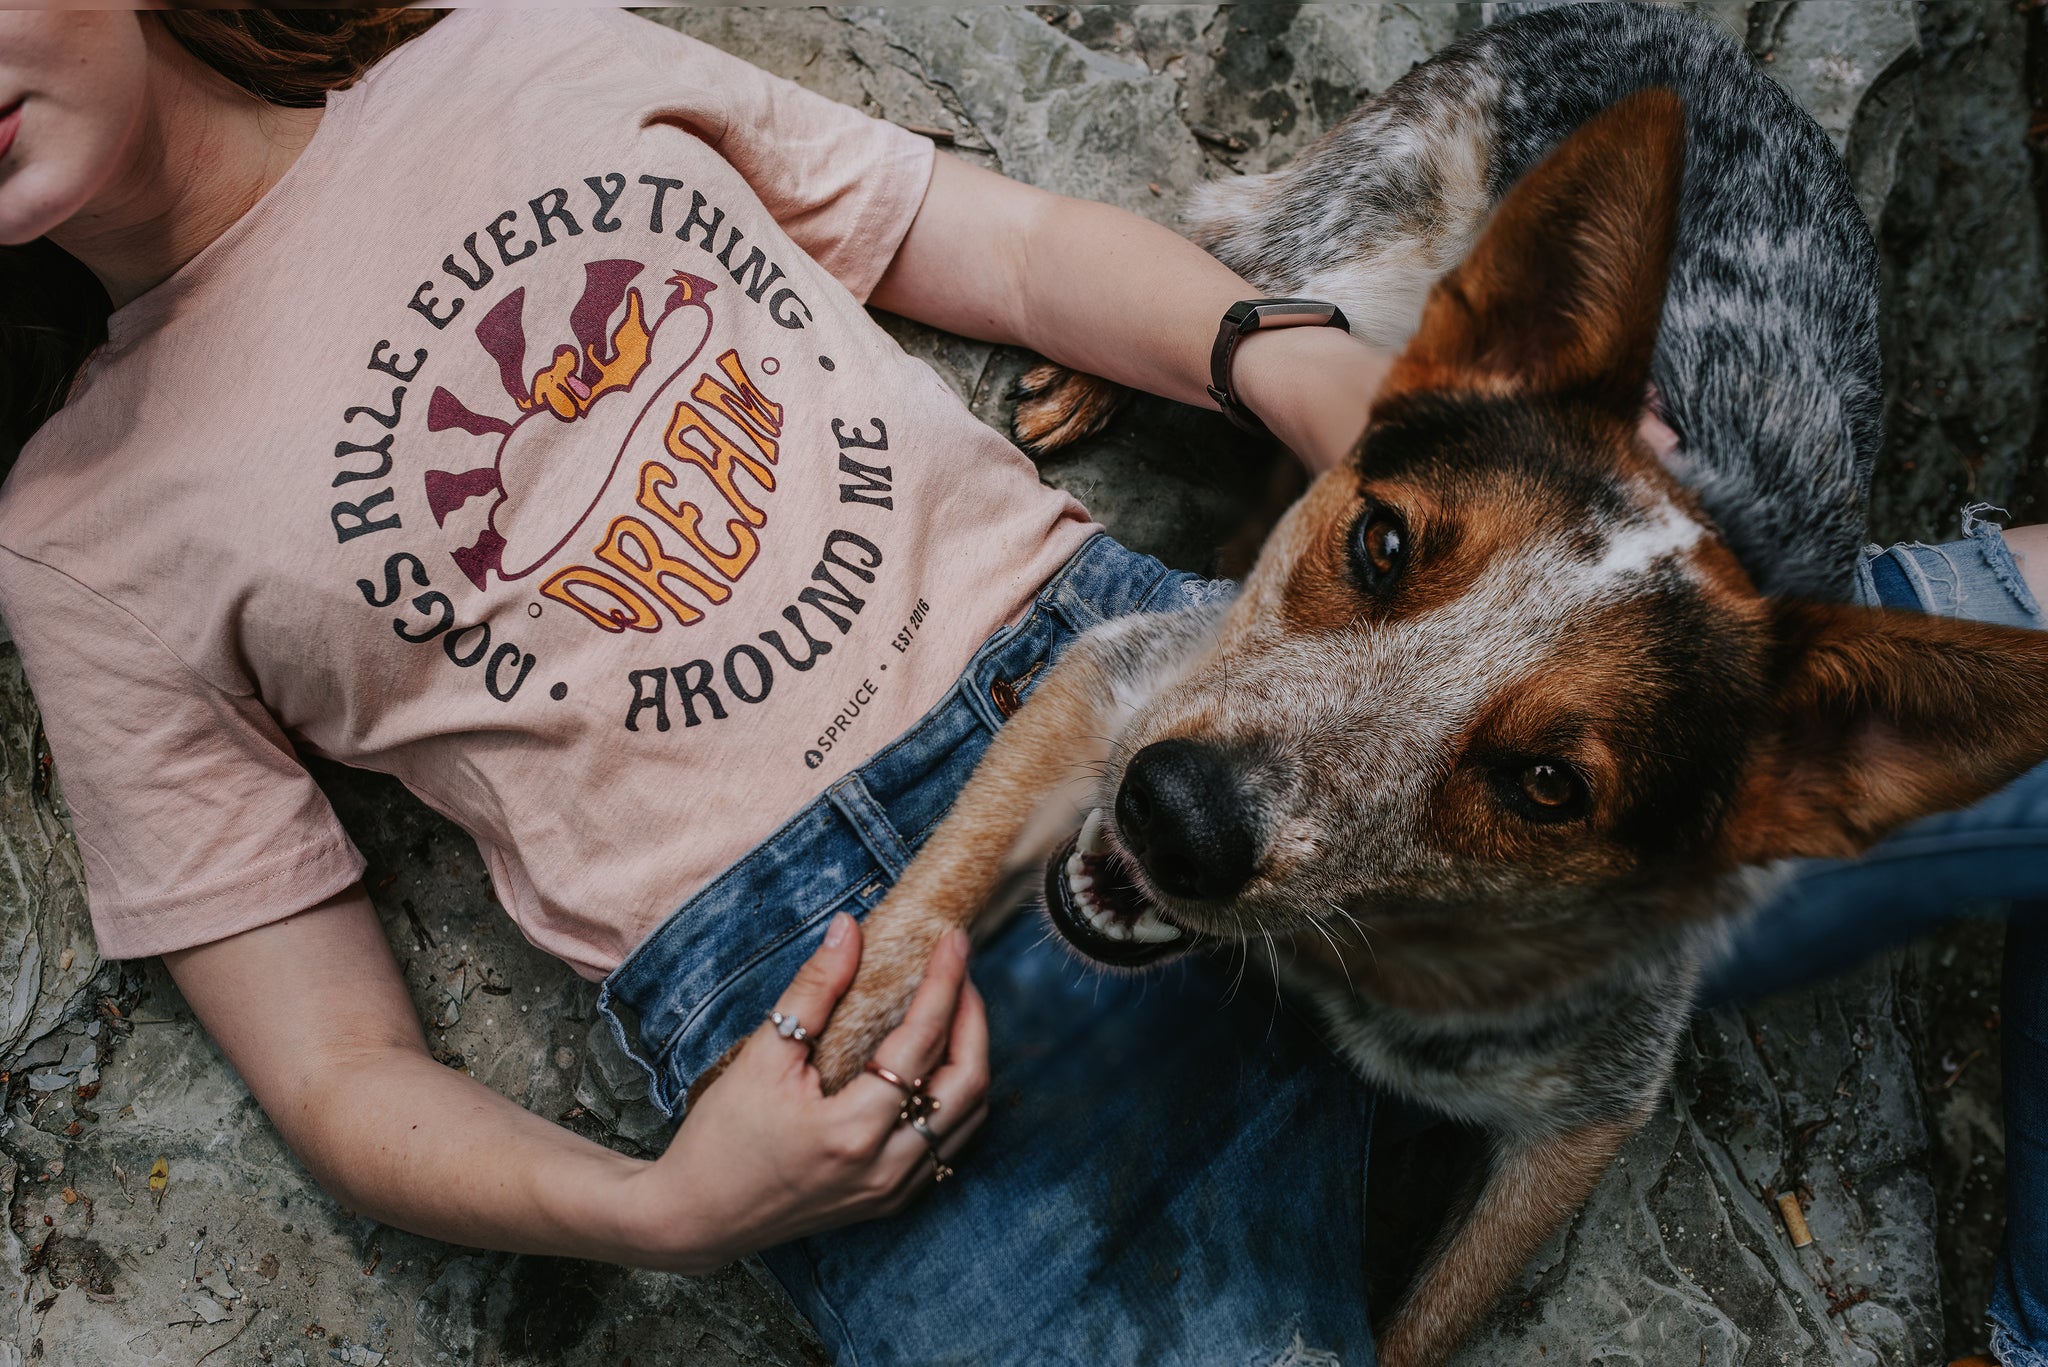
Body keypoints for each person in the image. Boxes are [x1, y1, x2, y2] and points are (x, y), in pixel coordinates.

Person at [7, 11, 2048, 1367]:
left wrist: (1281, 363)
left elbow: (981, 239)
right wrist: (662, 1208)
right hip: (861, 1028)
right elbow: (332, 1074)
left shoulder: (501, 52)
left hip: (1130, 672)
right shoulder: (80, 528)